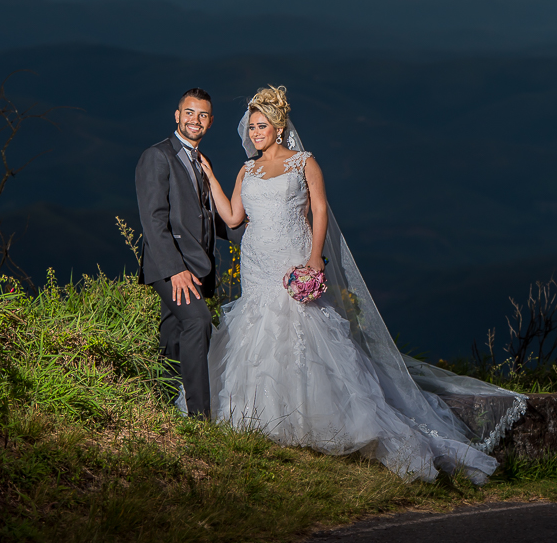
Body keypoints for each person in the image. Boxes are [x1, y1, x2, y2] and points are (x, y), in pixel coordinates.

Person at [199, 85, 525, 483]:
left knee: (303, 333)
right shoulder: (246, 170)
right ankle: (260, 424)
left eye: (261, 126)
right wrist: (211, 175)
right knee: (256, 331)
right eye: (251, 127)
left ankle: (317, 424)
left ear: (279, 127)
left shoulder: (304, 163)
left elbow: (319, 210)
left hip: (292, 258)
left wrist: (315, 257)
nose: (254, 133)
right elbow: (233, 218)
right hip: (256, 263)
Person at [135, 88, 239, 419]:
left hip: (198, 265)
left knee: (173, 334)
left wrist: (256, 234)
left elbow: (208, 216)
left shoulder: (200, 161)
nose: (195, 119)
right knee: (197, 321)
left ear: (210, 122)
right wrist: (174, 269)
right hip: (171, 266)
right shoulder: (157, 156)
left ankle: (162, 405)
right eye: (190, 113)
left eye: (203, 115)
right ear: (177, 116)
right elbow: (153, 219)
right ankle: (199, 417)